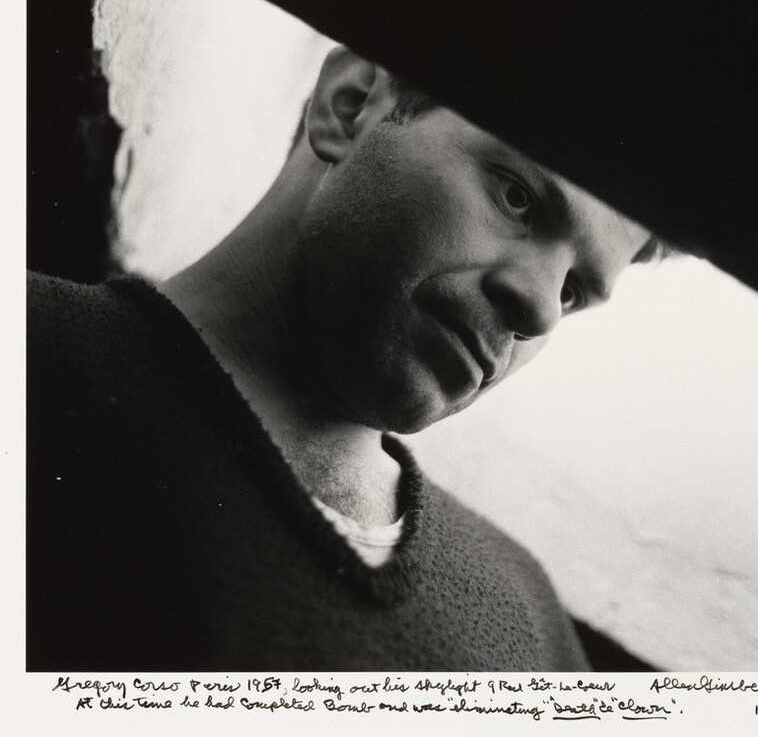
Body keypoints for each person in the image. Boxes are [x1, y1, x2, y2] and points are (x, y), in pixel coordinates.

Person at [27, 46, 660, 672]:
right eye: (517, 198)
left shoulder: (529, 618)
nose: (541, 309)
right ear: (350, 106)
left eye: (573, 291)